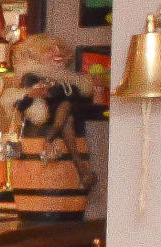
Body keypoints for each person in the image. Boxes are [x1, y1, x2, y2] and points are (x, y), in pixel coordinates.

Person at [5, 34, 98, 219]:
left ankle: (52, 142)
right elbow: (23, 106)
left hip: (62, 126)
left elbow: (77, 99)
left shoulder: (71, 80)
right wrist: (34, 94)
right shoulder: (31, 77)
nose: (58, 53)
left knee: (67, 113)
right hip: (42, 134)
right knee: (66, 113)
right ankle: (82, 170)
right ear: (36, 55)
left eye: (61, 49)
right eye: (50, 50)